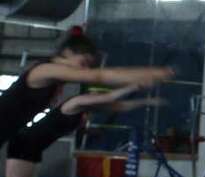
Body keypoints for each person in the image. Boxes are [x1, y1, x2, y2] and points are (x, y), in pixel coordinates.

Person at [0, 27, 174, 152]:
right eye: (83, 63)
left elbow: (112, 99)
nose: (83, 70)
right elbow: (98, 76)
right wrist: (150, 72)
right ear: (67, 52)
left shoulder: (55, 79)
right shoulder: (45, 69)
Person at [0, 82, 152, 177]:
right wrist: (133, 86)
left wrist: (146, 101)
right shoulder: (74, 102)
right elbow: (110, 97)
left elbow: (120, 106)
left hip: (35, 147)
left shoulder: (82, 115)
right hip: (25, 143)